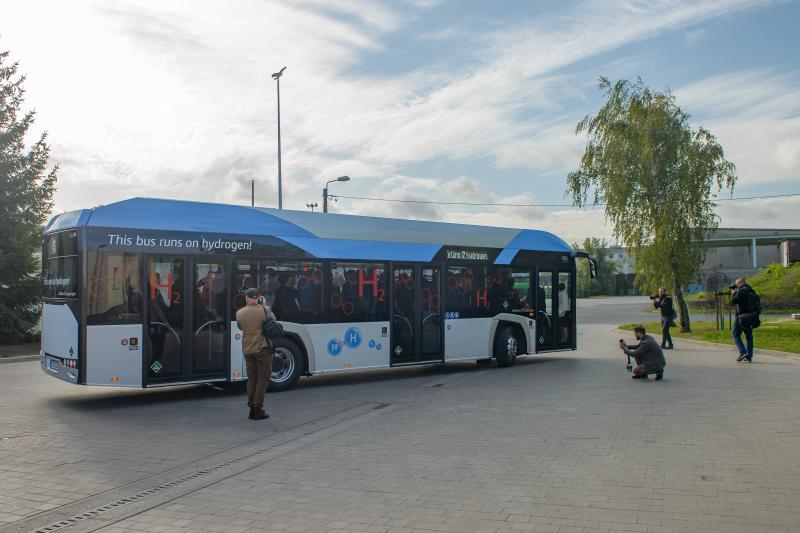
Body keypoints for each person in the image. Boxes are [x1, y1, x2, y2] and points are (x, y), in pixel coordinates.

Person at [235, 288, 275, 420]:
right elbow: (273, 321)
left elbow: (241, 327)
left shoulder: (239, 313)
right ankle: (258, 409)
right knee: (263, 379)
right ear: (258, 297)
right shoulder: (264, 310)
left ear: (246, 298)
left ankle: (251, 408)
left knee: (252, 379)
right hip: (262, 349)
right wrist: (263, 305)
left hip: (248, 350)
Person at [731, 278, 756, 362]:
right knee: (749, 336)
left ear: (742, 283)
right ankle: (749, 356)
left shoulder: (741, 291)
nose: (736, 285)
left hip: (741, 316)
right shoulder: (752, 291)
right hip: (751, 316)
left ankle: (743, 352)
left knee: (735, 334)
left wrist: (733, 293)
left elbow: (734, 301)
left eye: (737, 283)